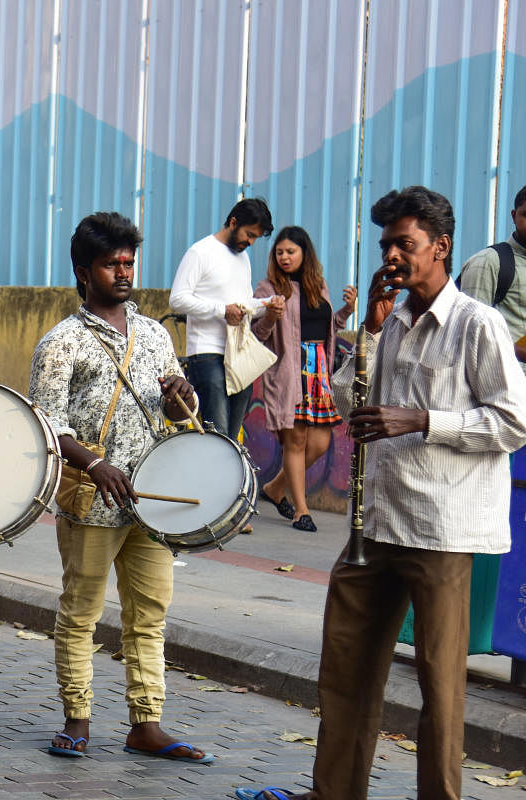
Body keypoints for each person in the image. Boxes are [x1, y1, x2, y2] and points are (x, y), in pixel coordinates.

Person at [237, 186, 526, 800]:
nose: (392, 254)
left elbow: (513, 422)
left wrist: (420, 419)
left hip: (441, 532)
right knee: (344, 674)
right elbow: (345, 400)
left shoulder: (478, 325)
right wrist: (366, 330)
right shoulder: (388, 322)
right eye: (387, 243)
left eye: (406, 243)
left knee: (441, 690)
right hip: (374, 529)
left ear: (441, 247)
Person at [29, 212, 210, 765]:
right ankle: (77, 719)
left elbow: (179, 415)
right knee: (80, 612)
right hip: (92, 498)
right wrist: (95, 463)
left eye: (129, 262)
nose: (124, 272)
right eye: (112, 264)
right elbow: (44, 426)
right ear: (84, 272)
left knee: (149, 615)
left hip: (152, 501)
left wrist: (184, 398)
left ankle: (146, 724)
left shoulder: (155, 333)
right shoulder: (61, 342)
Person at [251, 226, 355, 532]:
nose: (284, 257)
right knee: (295, 441)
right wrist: (271, 313)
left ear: (304, 254)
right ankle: (302, 510)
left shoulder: (317, 285)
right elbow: (259, 334)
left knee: (320, 444)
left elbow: (328, 328)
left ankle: (274, 487)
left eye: (290, 252)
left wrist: (346, 310)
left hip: (318, 372)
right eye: (279, 252)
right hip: (288, 374)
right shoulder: (267, 288)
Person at [169, 197, 274, 439]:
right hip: (206, 354)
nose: (250, 242)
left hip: (238, 355)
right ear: (233, 222)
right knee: (217, 435)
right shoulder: (200, 252)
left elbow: (243, 305)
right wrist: (222, 310)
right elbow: (178, 299)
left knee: (232, 436)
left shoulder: (243, 258)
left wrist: (267, 305)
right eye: (249, 234)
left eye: (255, 238)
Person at [458, 184, 526, 364]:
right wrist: (517, 351)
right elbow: (468, 334)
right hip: (505, 387)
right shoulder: (489, 262)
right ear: (514, 216)